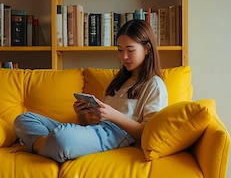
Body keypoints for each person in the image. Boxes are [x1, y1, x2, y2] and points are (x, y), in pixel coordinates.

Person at [13, 19, 168, 163]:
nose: (124, 56)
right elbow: (88, 126)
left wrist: (114, 116)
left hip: (117, 136)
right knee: (24, 119)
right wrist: (82, 113)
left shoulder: (154, 84)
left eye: (130, 50)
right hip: (95, 131)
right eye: (120, 50)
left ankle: (40, 145)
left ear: (147, 49)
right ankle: (47, 147)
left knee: (61, 137)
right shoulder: (119, 81)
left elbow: (150, 134)